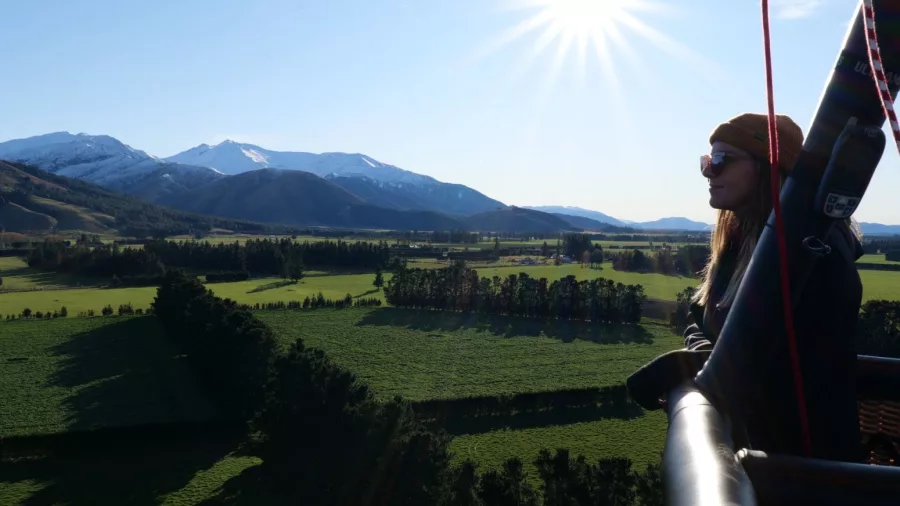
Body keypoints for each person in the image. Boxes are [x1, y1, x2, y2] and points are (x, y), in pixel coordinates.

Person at [684, 112, 865, 462]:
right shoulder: (739, 242)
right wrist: (702, 357)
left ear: (768, 167)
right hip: (763, 453)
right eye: (707, 161)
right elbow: (701, 318)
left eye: (721, 161)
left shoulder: (811, 257)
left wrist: (702, 367)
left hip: (803, 469)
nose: (708, 172)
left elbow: (771, 365)